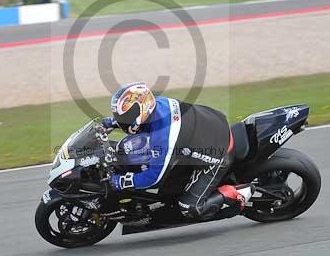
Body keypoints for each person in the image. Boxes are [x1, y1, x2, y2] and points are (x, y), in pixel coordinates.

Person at [101, 82, 252, 220]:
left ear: (143, 109)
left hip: (219, 152)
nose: (122, 119)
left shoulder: (164, 136)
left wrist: (121, 182)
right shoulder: (155, 105)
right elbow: (136, 121)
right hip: (209, 124)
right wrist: (111, 123)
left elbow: (154, 177)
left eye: (125, 116)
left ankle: (237, 194)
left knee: (189, 208)